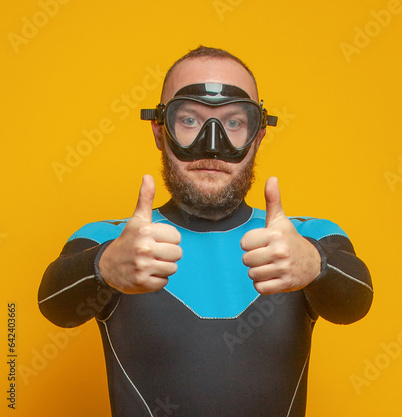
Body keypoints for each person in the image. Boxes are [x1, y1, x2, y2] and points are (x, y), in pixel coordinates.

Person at [37, 46, 373, 416]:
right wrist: (102, 266)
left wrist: (316, 264)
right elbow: (54, 305)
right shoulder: (116, 243)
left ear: (258, 135)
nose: (212, 146)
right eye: (189, 120)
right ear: (160, 131)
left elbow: (357, 301)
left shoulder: (301, 239)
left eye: (233, 123)